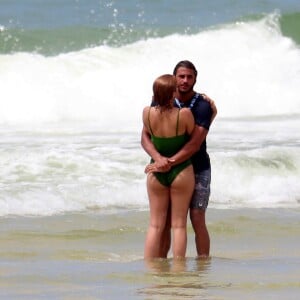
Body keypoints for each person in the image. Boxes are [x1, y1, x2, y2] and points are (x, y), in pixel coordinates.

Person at [142, 60, 217, 258]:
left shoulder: (202, 105)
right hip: (170, 168)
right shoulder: (161, 101)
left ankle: (202, 262)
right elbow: (145, 137)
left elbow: (195, 144)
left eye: (189, 77)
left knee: (197, 216)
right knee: (167, 222)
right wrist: (159, 159)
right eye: (181, 76)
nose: (185, 81)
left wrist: (167, 162)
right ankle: (162, 264)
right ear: (174, 78)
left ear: (195, 78)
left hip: (197, 166)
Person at [143, 74, 195, 259]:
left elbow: (146, 137)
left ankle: (149, 268)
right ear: (172, 92)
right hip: (181, 171)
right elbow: (192, 137)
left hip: (155, 171)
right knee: (179, 224)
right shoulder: (184, 114)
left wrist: (160, 160)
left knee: (155, 225)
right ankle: (179, 270)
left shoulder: (147, 113)